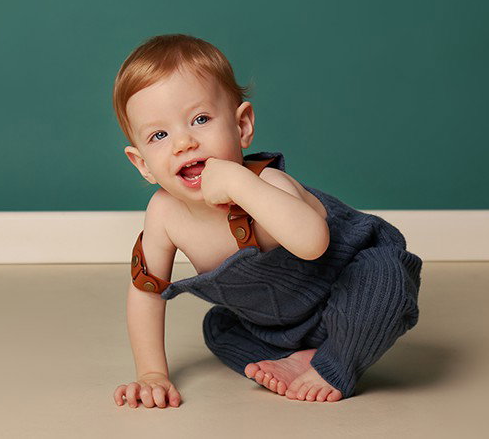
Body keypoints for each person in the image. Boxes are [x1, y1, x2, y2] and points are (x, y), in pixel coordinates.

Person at [111, 34, 422, 408]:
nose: (183, 143)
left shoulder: (264, 181)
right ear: (142, 162)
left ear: (241, 126)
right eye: (159, 135)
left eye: (200, 119)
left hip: (346, 293)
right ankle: (299, 358)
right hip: (275, 326)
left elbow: (313, 242)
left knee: (384, 275)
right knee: (218, 328)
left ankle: (337, 363)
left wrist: (240, 185)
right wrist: (151, 373)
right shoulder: (163, 214)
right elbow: (146, 291)